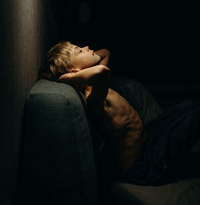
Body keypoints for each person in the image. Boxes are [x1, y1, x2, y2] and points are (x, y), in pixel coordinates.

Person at [39, 41, 200, 186]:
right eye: (79, 51)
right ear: (75, 71)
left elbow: (105, 52)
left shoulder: (93, 84)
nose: (86, 47)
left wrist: (75, 73)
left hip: (149, 138)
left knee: (190, 106)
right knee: (195, 115)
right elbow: (102, 70)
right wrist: (67, 78)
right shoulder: (93, 96)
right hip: (145, 164)